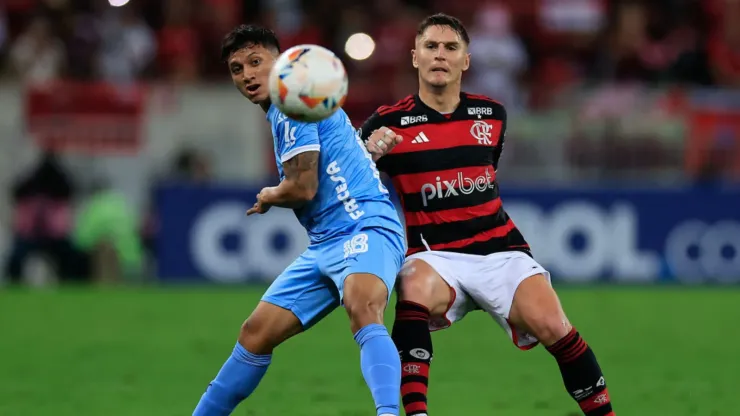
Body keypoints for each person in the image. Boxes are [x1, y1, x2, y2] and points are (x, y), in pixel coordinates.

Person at [362, 13, 614, 416]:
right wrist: (368, 155)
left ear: (466, 60)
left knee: (554, 326)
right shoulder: (387, 123)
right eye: (430, 47)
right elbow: (345, 184)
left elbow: (484, 170)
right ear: (414, 58)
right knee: (412, 288)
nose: (439, 55)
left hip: (501, 251)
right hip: (436, 255)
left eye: (450, 48)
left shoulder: (492, 115)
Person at [193, 25, 406, 416]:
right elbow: (336, 165)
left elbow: (303, 187)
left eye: (257, 62)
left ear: (281, 62)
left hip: (365, 228)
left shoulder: (292, 105)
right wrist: (367, 153)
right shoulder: (299, 102)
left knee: (362, 309)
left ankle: (389, 413)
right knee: (255, 334)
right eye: (237, 69)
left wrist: (269, 194)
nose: (248, 75)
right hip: (325, 243)